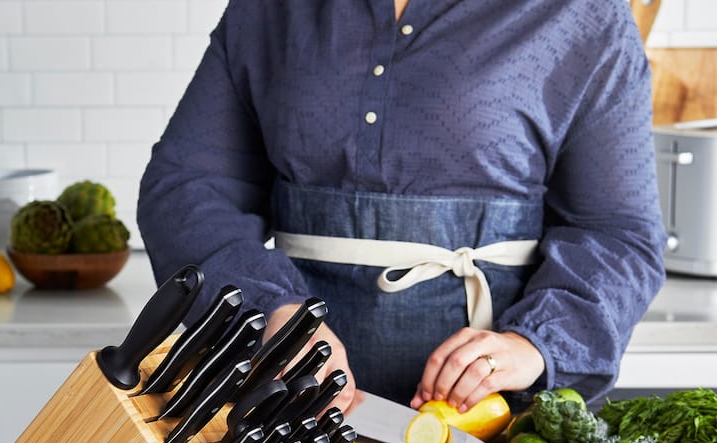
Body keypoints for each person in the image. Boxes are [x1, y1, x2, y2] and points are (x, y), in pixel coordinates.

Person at [137, 0, 665, 416]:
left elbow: (618, 232)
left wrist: (534, 345)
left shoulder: (584, 12)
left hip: (494, 433)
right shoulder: (272, 8)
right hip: (280, 411)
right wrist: (269, 310)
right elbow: (186, 187)